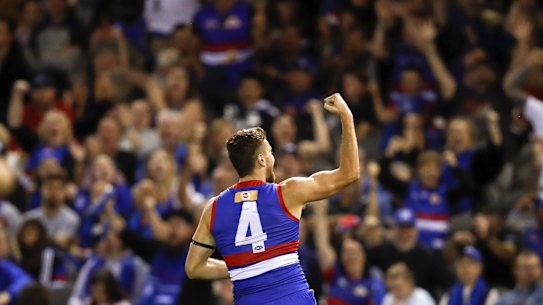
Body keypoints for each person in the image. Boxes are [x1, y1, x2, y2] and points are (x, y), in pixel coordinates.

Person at [185, 93, 360, 305]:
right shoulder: (288, 192)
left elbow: (193, 268)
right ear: (261, 159)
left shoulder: (213, 208)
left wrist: (242, 267)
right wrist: (347, 117)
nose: (272, 158)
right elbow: (349, 173)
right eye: (269, 152)